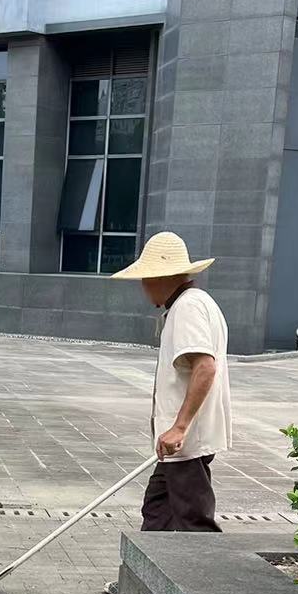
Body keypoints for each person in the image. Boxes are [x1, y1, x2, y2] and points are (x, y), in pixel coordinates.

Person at [112, 230, 232, 543]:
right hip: (177, 444)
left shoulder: (187, 308)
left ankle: (212, 571)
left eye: (145, 278)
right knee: (157, 511)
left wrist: (179, 428)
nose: (143, 286)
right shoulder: (195, 303)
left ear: (161, 277)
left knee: (194, 521)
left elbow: (205, 367)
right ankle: (143, 569)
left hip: (185, 442)